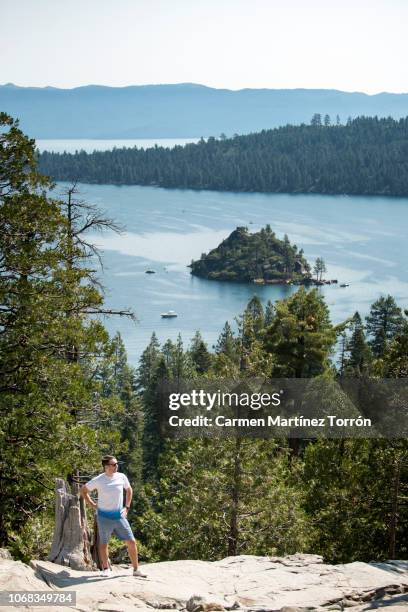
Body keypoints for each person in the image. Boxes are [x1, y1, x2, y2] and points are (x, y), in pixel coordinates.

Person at [80, 455, 146, 578]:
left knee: (131, 541)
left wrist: (126, 507)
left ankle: (136, 569)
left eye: (116, 464)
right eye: (114, 464)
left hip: (119, 516)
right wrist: (92, 504)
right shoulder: (99, 480)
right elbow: (83, 490)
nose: (116, 466)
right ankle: (106, 569)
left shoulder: (121, 477)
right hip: (103, 516)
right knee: (104, 543)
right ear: (106, 466)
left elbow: (129, 490)